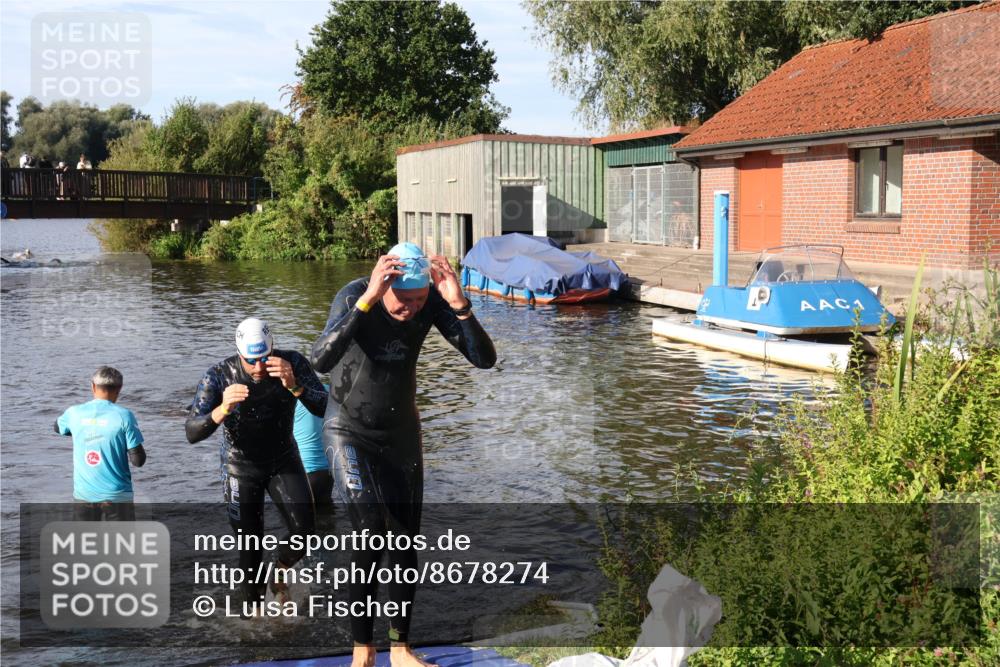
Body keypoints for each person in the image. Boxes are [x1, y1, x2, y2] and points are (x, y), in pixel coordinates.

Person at [311, 242, 496, 667]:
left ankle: (400, 648)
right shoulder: (356, 293)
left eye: (418, 300)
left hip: (400, 435)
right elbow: (321, 359)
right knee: (370, 528)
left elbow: (484, 360)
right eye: (403, 300)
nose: (410, 309)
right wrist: (366, 303)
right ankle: (363, 649)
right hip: (348, 429)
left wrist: (459, 304)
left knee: (404, 542)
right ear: (385, 283)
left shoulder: (430, 302)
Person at [185, 317, 326, 610]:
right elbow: (192, 432)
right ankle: (253, 618)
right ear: (240, 355)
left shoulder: (293, 363)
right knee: (250, 547)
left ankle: (280, 572)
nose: (260, 367)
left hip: (283, 459)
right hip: (240, 467)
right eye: (251, 361)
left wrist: (296, 386)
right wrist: (222, 409)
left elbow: (325, 406)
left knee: (305, 530)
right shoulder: (219, 375)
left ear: (273, 348)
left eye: (265, 358)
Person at [54, 366, 147, 521]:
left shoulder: (74, 412)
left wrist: (83, 432)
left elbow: (58, 427)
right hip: (117, 497)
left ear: (93, 386)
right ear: (119, 389)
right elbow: (138, 461)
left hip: (84, 496)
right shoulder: (124, 416)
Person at [293, 382, 334, 508]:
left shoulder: (289, 396)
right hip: (327, 471)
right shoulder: (328, 390)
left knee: (298, 522)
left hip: (303, 470)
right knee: (327, 517)